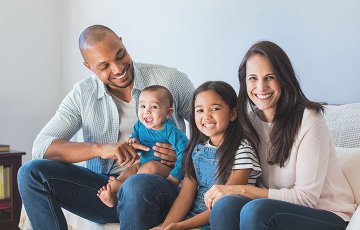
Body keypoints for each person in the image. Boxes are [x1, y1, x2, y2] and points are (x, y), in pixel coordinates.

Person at [17, 24, 195, 230]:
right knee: (30, 172)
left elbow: (211, 131)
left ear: (122, 42)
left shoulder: (169, 80)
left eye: (120, 55)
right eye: (104, 66)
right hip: (109, 188)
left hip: (158, 185)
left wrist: (184, 156)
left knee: (136, 184)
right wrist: (101, 149)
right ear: (89, 67)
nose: (118, 69)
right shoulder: (83, 94)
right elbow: (41, 147)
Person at [206, 41, 357, 230]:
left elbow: (306, 199)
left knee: (255, 210)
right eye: (253, 78)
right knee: (225, 206)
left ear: (284, 79)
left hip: (329, 216)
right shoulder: (248, 122)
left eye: (269, 77)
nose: (261, 87)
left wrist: (240, 189)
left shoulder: (309, 119)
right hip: (276, 211)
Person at [152, 81, 262, 230]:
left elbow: (224, 203)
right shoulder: (197, 150)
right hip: (193, 216)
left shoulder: (242, 151)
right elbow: (185, 196)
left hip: (221, 220)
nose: (207, 116)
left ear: (233, 113)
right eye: (200, 110)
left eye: (215, 109)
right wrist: (167, 226)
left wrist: (180, 227)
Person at [97, 85, 188, 208]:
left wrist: (175, 176)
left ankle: (123, 187)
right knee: (130, 170)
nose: (147, 111)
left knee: (151, 167)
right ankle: (113, 195)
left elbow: (186, 153)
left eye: (154, 107)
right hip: (143, 165)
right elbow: (135, 141)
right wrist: (132, 144)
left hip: (164, 168)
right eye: (142, 106)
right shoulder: (140, 125)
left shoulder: (171, 131)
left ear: (168, 113)